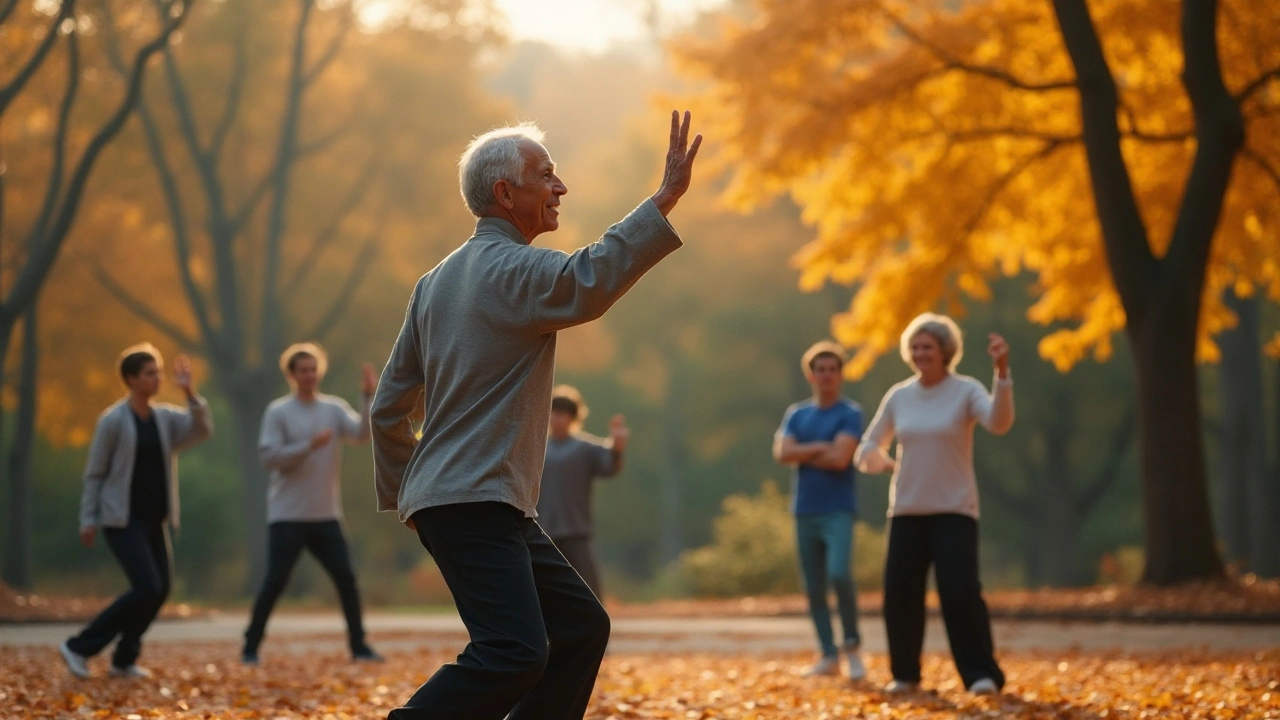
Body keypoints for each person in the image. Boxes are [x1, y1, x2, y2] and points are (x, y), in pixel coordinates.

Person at [371, 111, 701, 720]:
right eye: (545, 175)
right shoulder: (510, 270)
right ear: (504, 193)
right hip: (476, 499)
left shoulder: (434, 281)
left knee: (579, 629)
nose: (560, 188)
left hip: (479, 501)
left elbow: (389, 404)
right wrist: (663, 200)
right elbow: (589, 277)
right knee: (513, 653)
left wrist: (410, 492)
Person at [854, 313, 1013, 696]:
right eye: (915, 347)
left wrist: (1002, 373)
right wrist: (876, 459)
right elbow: (868, 445)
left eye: (928, 347)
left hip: (954, 509)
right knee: (900, 595)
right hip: (907, 509)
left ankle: (980, 675)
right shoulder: (900, 394)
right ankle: (905, 674)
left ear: (946, 351)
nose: (920, 353)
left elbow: (999, 422)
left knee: (959, 592)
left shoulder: (966, 390)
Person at [60, 344, 213, 679]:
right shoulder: (113, 420)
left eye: (158, 371)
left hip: (154, 519)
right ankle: (78, 647)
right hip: (121, 519)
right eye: (150, 373)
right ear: (131, 379)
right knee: (146, 587)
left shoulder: (165, 418)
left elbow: (202, 429)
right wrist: (88, 518)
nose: (157, 378)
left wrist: (189, 392)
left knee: (160, 590)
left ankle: (123, 660)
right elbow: (95, 473)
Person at [241, 342, 383, 665]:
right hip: (288, 515)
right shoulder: (278, 412)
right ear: (291, 375)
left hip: (325, 514)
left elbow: (362, 433)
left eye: (313, 369)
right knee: (275, 582)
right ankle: (250, 646)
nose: (309, 375)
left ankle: (359, 647)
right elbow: (269, 457)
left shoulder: (333, 409)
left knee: (346, 578)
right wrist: (307, 445)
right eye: (302, 370)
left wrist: (366, 396)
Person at [772, 341, 866, 680]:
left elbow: (841, 459)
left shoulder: (850, 413)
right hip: (804, 510)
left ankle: (852, 646)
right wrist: (822, 447)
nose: (826, 375)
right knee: (813, 587)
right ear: (811, 375)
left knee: (839, 574)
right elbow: (782, 453)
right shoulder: (797, 414)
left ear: (840, 375)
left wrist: (803, 451)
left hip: (838, 509)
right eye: (820, 370)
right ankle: (828, 655)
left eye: (832, 369)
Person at [536, 385, 628, 600]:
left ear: (572, 417)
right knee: (542, 589)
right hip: (542, 529)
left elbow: (609, 467)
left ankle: (594, 629)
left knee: (588, 589)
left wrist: (618, 447)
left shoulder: (585, 448)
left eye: (561, 413)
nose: (556, 418)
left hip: (575, 529)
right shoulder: (537, 446)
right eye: (552, 412)